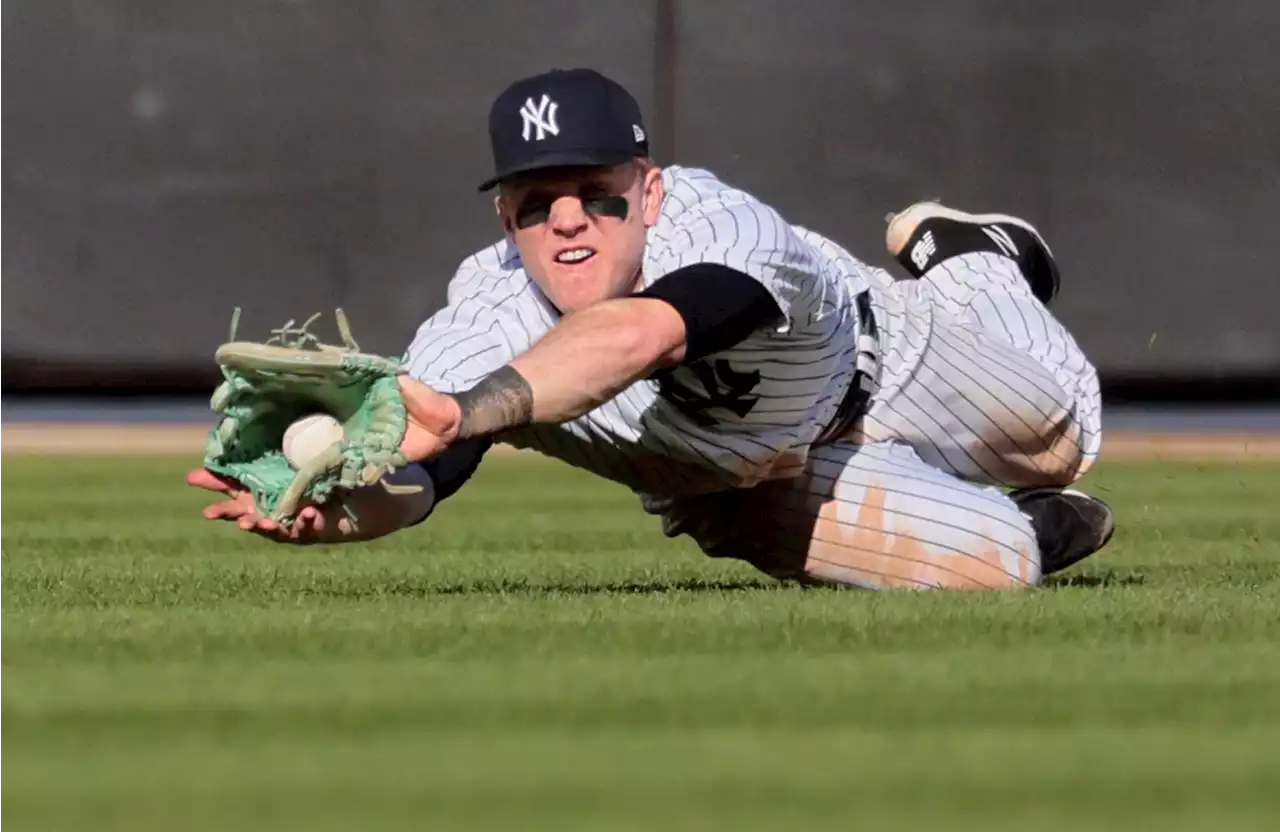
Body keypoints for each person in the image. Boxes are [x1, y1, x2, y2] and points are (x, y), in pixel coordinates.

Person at [188, 67, 1114, 590]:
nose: (569, 220)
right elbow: (431, 464)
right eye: (536, 201)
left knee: (1064, 436)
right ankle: (1017, 526)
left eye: (597, 193)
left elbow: (647, 336)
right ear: (503, 216)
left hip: (890, 359)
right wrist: (359, 514)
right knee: (999, 566)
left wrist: (467, 413)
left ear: (651, 191)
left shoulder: (715, 223)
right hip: (738, 488)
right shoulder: (485, 308)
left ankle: (968, 256)